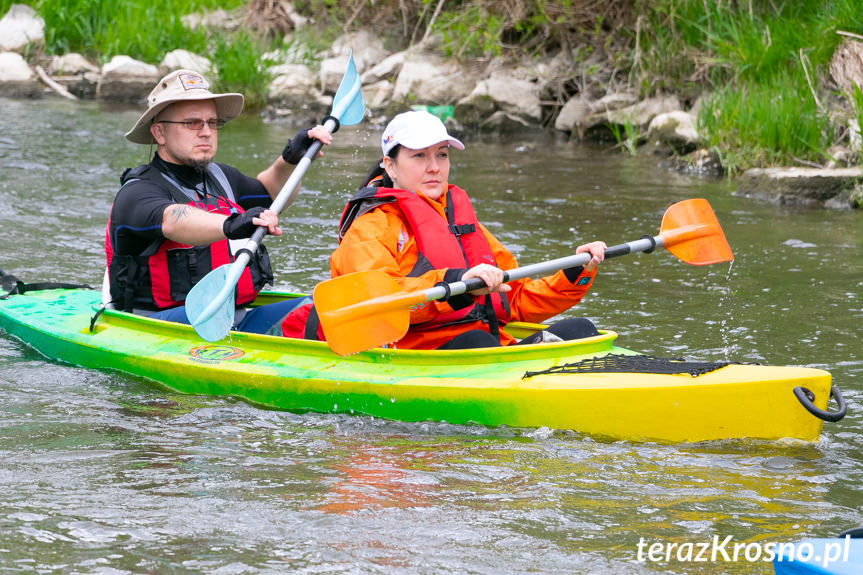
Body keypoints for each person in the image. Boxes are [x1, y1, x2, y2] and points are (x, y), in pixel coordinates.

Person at [281, 110, 606, 349]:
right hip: (414, 351)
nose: (434, 166)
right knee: (478, 341)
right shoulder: (371, 227)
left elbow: (515, 301)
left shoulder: (460, 220)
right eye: (419, 156)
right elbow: (377, 304)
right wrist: (456, 285)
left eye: (442, 155)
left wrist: (575, 271)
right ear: (390, 165)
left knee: (581, 328)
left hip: (481, 345)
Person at [105, 68, 332, 334]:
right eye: (192, 123)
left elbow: (272, 195)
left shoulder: (222, 177)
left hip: (230, 318)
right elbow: (172, 219)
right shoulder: (137, 192)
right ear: (159, 133)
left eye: (212, 123)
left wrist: (290, 159)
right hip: (156, 327)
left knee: (324, 308)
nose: (206, 132)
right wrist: (234, 223)